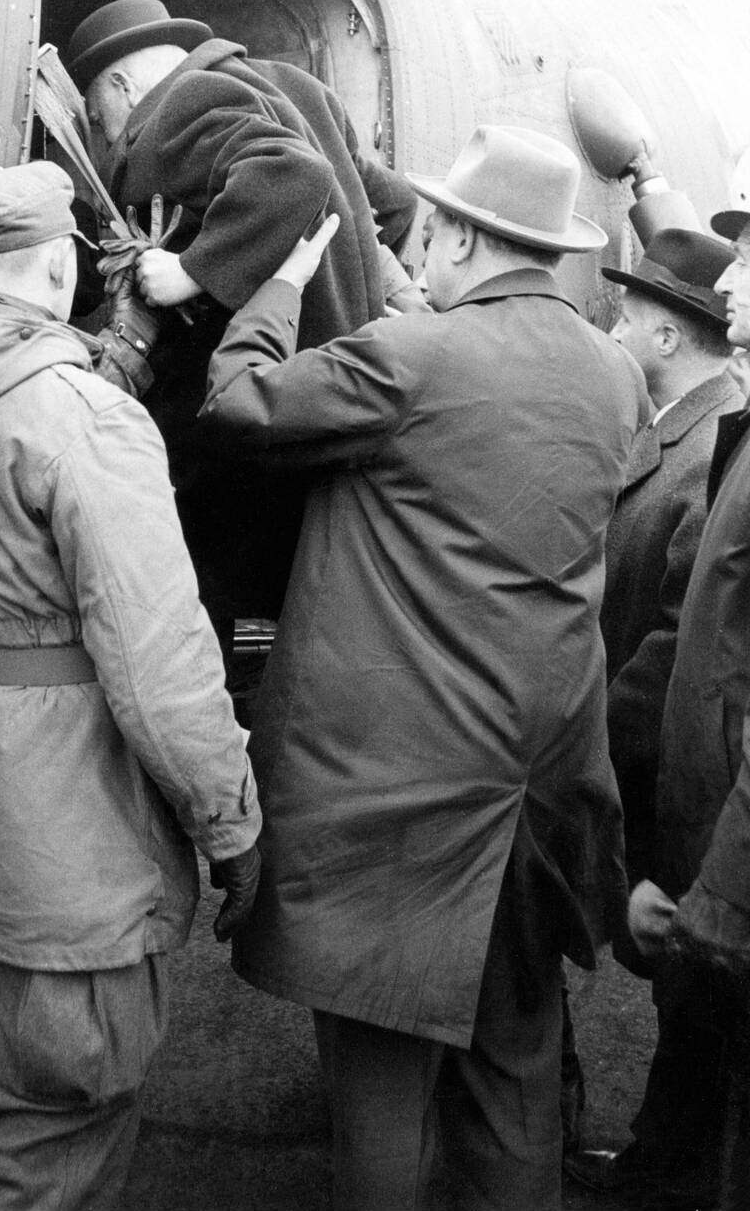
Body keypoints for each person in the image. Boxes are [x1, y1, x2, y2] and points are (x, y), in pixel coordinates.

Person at [198, 124, 647, 1211]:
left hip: (397, 814)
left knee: (382, 1111)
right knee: (511, 1089)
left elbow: (237, 405)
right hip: (537, 801)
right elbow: (485, 434)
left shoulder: (411, 361)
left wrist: (280, 286)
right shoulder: (615, 376)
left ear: (456, 235)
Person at [0, 161, 262, 1211]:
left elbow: (31, 405)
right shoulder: (87, 419)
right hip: (71, 842)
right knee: (54, 1131)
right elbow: (160, 663)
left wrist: (122, 348)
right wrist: (230, 825)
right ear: (60, 267)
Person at [65, 0, 422, 632]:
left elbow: (288, 173)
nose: (105, 137)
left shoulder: (178, 105)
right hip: (334, 400)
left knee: (197, 606)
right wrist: (343, 275)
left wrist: (189, 272)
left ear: (121, 86)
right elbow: (391, 207)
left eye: (98, 118)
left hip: (254, 419)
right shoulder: (295, 86)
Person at [560, 226, 742, 1165]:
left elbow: (681, 639)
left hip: (665, 763)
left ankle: (669, 1169)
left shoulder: (707, 450)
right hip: (649, 755)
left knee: (690, 986)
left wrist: (578, 729)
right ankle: (665, 1159)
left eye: (624, 315)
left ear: (668, 338)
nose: (610, 326)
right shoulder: (672, 432)